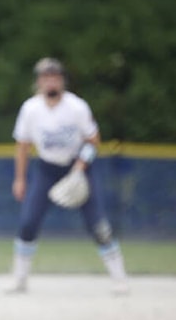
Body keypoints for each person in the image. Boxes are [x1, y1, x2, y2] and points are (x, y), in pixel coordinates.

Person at [7, 57, 129, 295]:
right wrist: (19, 178)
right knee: (28, 223)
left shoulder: (76, 107)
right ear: (39, 82)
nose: (50, 82)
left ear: (62, 81)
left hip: (78, 167)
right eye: (46, 77)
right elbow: (22, 146)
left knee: (99, 225)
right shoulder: (31, 109)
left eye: (55, 77)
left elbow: (94, 141)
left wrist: (80, 167)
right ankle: (19, 279)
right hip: (46, 169)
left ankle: (120, 278)